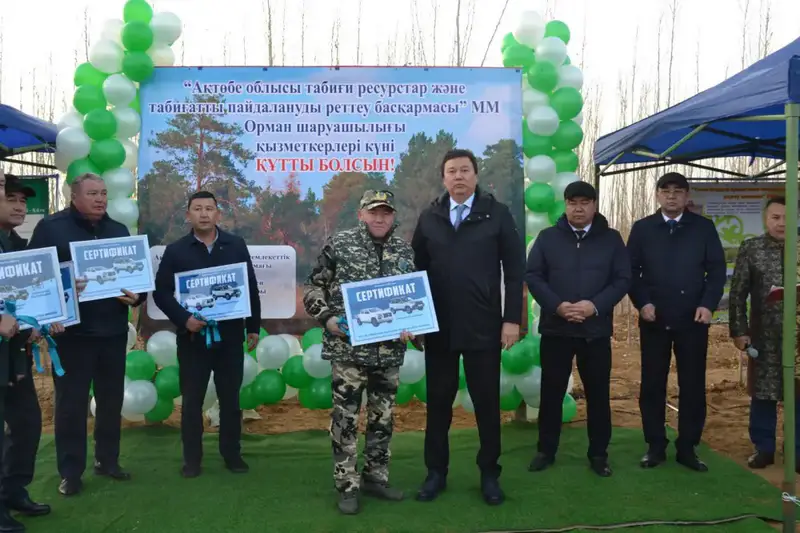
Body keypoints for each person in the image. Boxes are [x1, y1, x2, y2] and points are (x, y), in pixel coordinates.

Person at [411, 149, 524, 505]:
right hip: (439, 329)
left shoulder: (497, 214)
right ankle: (435, 473)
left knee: (486, 404)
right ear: (443, 178)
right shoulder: (429, 217)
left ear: (475, 176)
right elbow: (416, 271)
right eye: (451, 171)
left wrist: (511, 320)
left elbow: (515, 269)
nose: (458, 177)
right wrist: (415, 320)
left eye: (464, 170)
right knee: (438, 404)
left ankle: (490, 474)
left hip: (484, 327)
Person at [27, 173, 145, 496]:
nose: (101, 199)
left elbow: (138, 281)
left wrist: (137, 298)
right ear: (74, 196)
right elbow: (33, 277)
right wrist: (65, 289)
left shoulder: (118, 231)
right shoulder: (50, 229)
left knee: (110, 401)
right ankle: (70, 471)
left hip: (113, 332)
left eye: (104, 193)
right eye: (93, 193)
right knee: (71, 406)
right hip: (72, 336)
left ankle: (107, 460)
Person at [303, 190, 416, 515]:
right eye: (373, 212)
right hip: (348, 350)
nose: (380, 218)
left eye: (386, 212)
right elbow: (313, 285)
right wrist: (326, 318)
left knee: (383, 419)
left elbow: (414, 298)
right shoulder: (340, 244)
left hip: (389, 353)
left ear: (393, 216)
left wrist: (413, 327)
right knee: (346, 420)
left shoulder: (404, 250)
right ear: (361, 214)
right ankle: (347, 486)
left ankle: (376, 478)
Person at [153, 191, 260, 478]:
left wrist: (253, 326)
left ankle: (231, 454)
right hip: (192, 339)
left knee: (230, 398)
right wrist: (183, 319)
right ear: (188, 215)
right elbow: (161, 293)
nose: (203, 214)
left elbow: (249, 287)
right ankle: (192, 459)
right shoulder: (176, 251)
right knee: (192, 401)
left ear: (218, 215)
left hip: (230, 337)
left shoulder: (235, 246)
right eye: (197, 209)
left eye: (209, 208)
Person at [525, 181, 630, 477]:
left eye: (585, 202)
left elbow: (622, 280)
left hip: (595, 332)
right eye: (573, 202)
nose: (578, 208)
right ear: (565, 205)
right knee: (551, 393)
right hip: (556, 330)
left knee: (598, 394)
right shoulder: (547, 239)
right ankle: (546, 450)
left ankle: (598, 454)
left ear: (594, 205)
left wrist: (593, 306)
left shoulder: (611, 239)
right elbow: (533, 276)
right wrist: (557, 306)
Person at [627, 172, 726, 472]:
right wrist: (642, 303)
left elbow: (717, 272)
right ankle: (655, 445)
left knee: (693, 385)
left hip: (692, 320)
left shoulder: (703, 228)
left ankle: (688, 448)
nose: (672, 196)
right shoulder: (643, 229)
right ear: (657, 195)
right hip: (654, 319)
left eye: (678, 191)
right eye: (666, 191)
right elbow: (631, 272)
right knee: (653, 384)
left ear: (686, 196)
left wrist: (708, 305)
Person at [729, 197, 800, 470]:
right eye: (775, 217)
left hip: (799, 338)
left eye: (787, 217)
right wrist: (739, 331)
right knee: (764, 393)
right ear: (765, 219)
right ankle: (764, 447)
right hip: (765, 335)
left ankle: (796, 449)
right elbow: (737, 294)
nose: (782, 223)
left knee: (798, 392)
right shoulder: (752, 248)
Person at [0, 175, 55, 523]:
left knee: (27, 425)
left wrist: (61, 295)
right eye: (11, 199)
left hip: (15, 356)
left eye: (23, 200)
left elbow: (29, 297)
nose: (20, 206)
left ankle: (12, 491)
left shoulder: (18, 246)